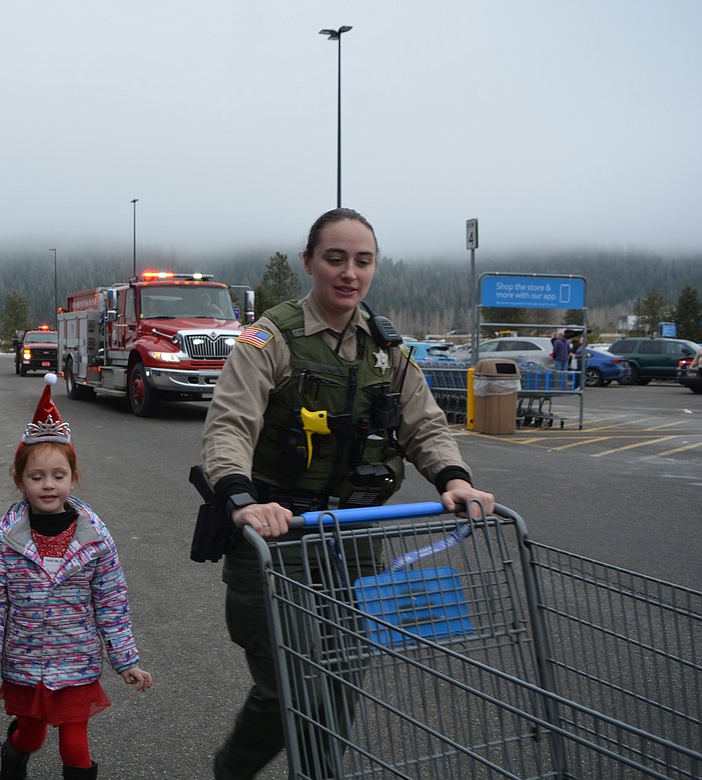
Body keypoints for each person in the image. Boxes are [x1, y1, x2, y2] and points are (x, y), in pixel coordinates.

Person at [200, 207, 494, 779]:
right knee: (291, 681)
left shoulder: (387, 350)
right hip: (274, 535)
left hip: (351, 542)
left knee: (341, 678)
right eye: (335, 258)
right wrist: (241, 497)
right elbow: (230, 425)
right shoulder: (270, 340)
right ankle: (231, 771)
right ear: (309, 262)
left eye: (363, 261)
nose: (349, 273)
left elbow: (424, 425)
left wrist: (454, 479)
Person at [0, 374, 153, 780]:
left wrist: (125, 660)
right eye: (37, 477)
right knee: (31, 737)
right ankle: (13, 753)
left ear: (73, 477)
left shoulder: (96, 538)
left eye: (58, 475)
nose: (48, 484)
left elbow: (111, 603)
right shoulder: (6, 536)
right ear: (20, 481)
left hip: (77, 662)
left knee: (75, 746)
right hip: (24, 662)